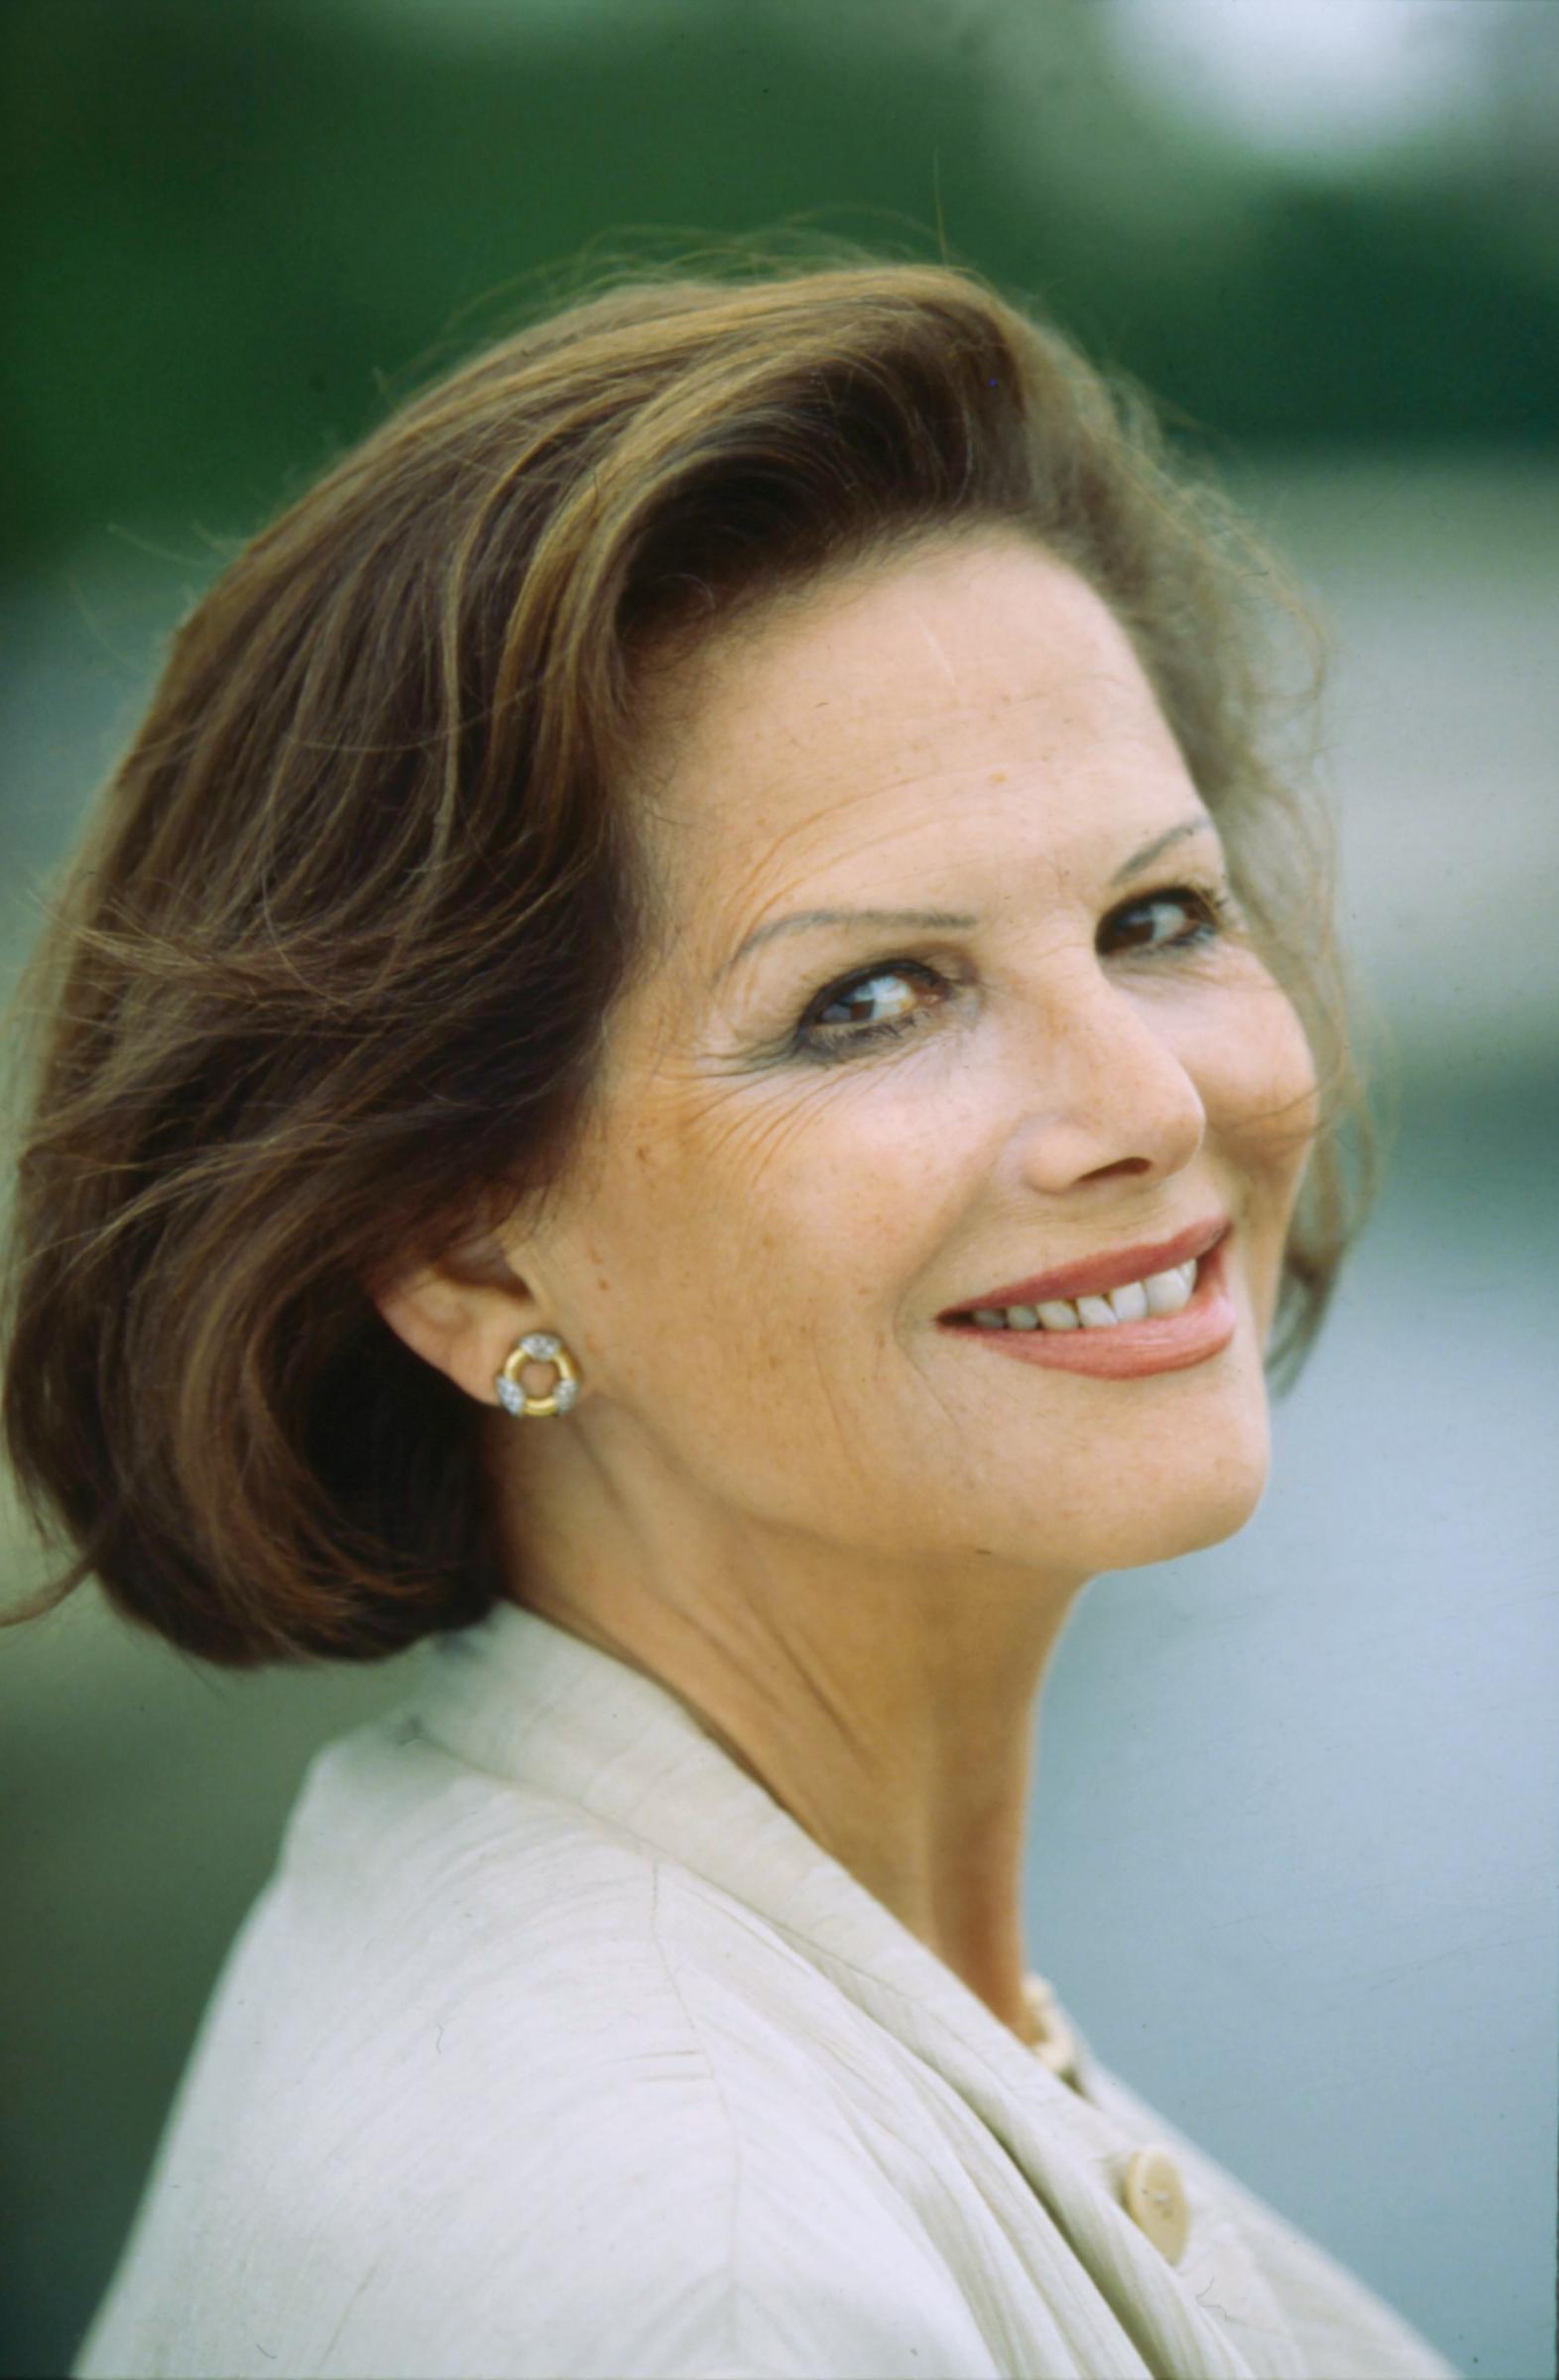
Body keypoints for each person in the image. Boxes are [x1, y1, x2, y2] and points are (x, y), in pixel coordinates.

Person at [1, 250, 1458, 2380]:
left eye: (1156, 918)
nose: (1151, 1103)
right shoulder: (712, 2297)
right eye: (870, 1001)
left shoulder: (597, 1942)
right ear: (467, 1247)